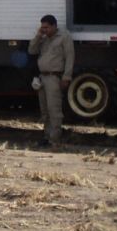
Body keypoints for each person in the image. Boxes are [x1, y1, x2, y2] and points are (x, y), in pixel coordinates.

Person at [28, 13, 74, 147]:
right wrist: (38, 35)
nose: (45, 30)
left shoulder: (64, 37)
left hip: (54, 77)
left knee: (54, 110)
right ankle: (46, 137)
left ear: (54, 26)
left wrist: (67, 76)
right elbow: (31, 50)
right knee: (45, 110)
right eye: (43, 28)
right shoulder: (43, 38)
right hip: (42, 77)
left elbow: (69, 57)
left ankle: (55, 139)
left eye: (47, 27)